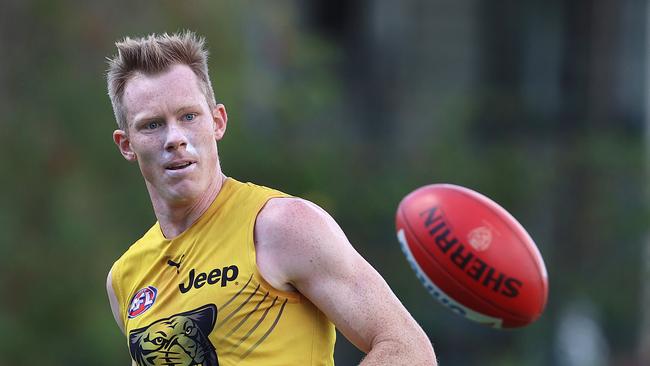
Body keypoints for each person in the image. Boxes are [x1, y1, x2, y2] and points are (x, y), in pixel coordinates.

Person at [105, 31, 436, 366]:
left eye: (189, 116)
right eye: (152, 125)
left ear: (218, 122)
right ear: (126, 144)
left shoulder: (283, 225)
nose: (175, 138)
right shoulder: (126, 277)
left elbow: (407, 348)